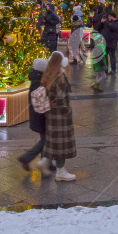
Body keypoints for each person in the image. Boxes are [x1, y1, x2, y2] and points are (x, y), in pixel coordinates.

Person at [40, 51, 78, 181]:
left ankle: (52, 166)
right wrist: (67, 111)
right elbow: (61, 100)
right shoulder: (61, 77)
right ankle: (61, 172)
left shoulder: (48, 75)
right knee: (61, 145)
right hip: (60, 117)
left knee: (55, 144)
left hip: (51, 115)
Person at [18, 58, 57, 174]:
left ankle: (47, 164)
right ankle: (26, 157)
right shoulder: (38, 82)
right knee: (46, 141)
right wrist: (50, 104)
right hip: (40, 116)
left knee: (45, 139)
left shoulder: (36, 78)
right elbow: (41, 102)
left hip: (38, 115)